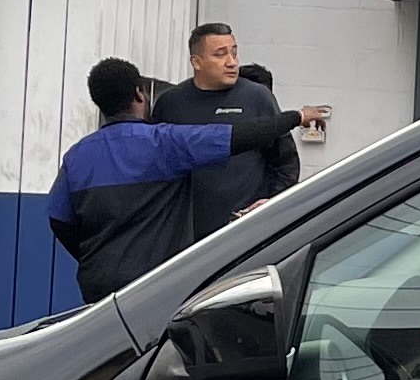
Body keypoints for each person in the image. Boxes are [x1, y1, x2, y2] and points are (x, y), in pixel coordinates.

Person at [48, 57, 326, 303]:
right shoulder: (166, 143)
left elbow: (59, 220)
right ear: (139, 94)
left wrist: (94, 259)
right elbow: (236, 136)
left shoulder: (76, 157)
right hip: (156, 286)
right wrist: (297, 117)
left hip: (98, 289)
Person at [152, 19, 323, 237]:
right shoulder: (170, 104)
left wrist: (273, 201)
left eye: (234, 53)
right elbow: (155, 168)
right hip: (185, 235)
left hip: (245, 232)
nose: (232, 62)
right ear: (196, 62)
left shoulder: (258, 97)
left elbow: (285, 161)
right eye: (220, 54)